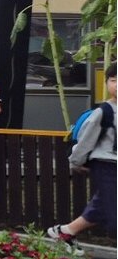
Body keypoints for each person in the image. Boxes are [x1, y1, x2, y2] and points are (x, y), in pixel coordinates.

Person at [49, 64, 117, 246]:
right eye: (113, 80)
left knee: (103, 204)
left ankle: (66, 232)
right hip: (106, 164)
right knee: (113, 211)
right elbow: (86, 140)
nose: (117, 85)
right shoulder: (104, 112)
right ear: (106, 83)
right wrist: (76, 161)